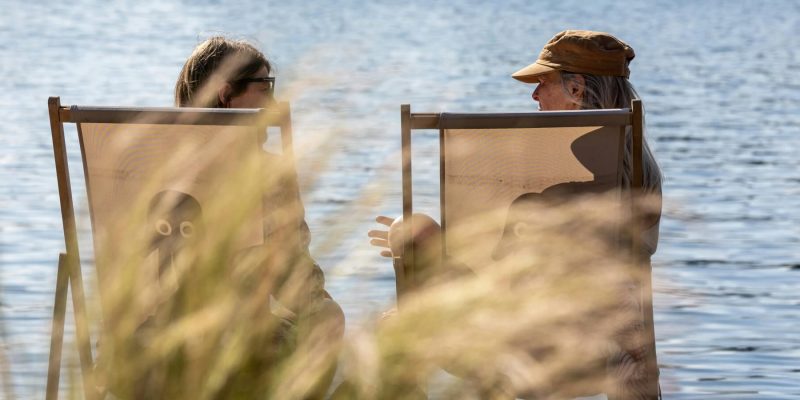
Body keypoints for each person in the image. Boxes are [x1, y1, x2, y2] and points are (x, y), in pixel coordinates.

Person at [369, 30, 662, 399]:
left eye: (543, 83)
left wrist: (415, 246)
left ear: (576, 91)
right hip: (600, 351)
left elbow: (503, 286)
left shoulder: (553, 194)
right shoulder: (641, 185)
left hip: (520, 347)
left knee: (410, 236)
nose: (534, 95)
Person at [103, 36, 344, 399]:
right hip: (235, 352)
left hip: (139, 352)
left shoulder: (143, 170)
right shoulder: (263, 176)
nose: (274, 102)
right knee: (327, 320)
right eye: (264, 87)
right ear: (226, 94)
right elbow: (296, 287)